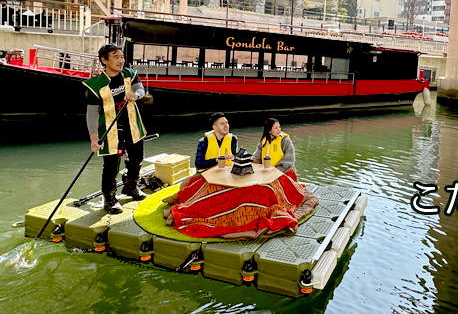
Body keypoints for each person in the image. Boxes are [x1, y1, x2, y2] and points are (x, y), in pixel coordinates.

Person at [164, 116, 317, 239]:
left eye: (227, 123)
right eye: (223, 124)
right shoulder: (204, 142)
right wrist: (216, 161)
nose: (227, 126)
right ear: (214, 127)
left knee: (267, 188)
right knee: (190, 185)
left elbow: (288, 160)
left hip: (278, 171)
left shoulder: (236, 139)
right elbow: (199, 163)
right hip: (211, 171)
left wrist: (271, 170)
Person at [84, 43, 147, 214]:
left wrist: (136, 95)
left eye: (122, 57)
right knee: (111, 165)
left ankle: (131, 186)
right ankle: (110, 198)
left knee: (137, 158)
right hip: (110, 129)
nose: (121, 61)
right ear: (104, 60)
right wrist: (93, 138)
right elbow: (91, 114)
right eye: (116, 57)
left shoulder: (130, 74)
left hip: (132, 125)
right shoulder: (96, 84)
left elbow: (140, 89)